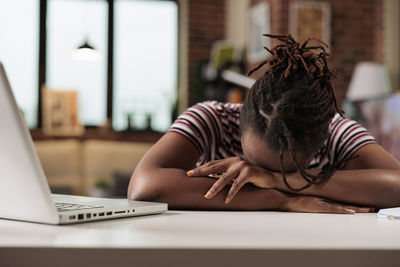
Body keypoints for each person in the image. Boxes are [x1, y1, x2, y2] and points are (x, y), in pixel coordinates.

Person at [128, 34, 400, 213]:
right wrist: (284, 198)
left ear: (323, 138)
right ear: (240, 115)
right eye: (253, 163)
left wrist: (283, 180)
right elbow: (144, 188)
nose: (259, 176)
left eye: (287, 169)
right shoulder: (210, 118)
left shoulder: (338, 131)